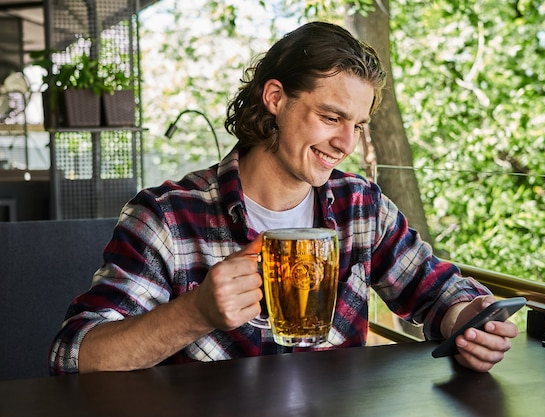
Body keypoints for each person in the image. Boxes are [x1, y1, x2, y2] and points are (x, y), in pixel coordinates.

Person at [49, 21, 518, 375]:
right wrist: (196, 312)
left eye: (358, 125)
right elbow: (75, 355)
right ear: (275, 97)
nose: (346, 144)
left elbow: (438, 292)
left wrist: (471, 321)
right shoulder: (169, 218)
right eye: (331, 117)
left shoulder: (360, 207)